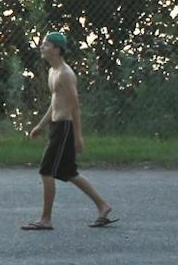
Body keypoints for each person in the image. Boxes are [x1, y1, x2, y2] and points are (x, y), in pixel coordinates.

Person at [21, 32, 116, 230]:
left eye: (46, 45)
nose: (42, 47)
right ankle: (103, 206)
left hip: (65, 128)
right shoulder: (52, 72)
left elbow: (75, 106)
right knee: (70, 173)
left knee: (46, 171)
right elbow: (55, 103)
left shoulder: (66, 73)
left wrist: (78, 136)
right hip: (56, 126)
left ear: (56, 49)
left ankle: (45, 219)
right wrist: (41, 125)